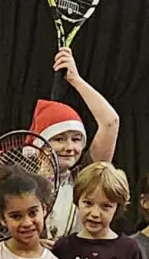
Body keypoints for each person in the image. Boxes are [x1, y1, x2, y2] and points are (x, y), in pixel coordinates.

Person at [31, 47, 121, 237]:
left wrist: (75, 80)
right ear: (41, 142)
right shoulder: (22, 181)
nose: (70, 148)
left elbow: (110, 122)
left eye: (77, 139)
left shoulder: (84, 175)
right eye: (59, 139)